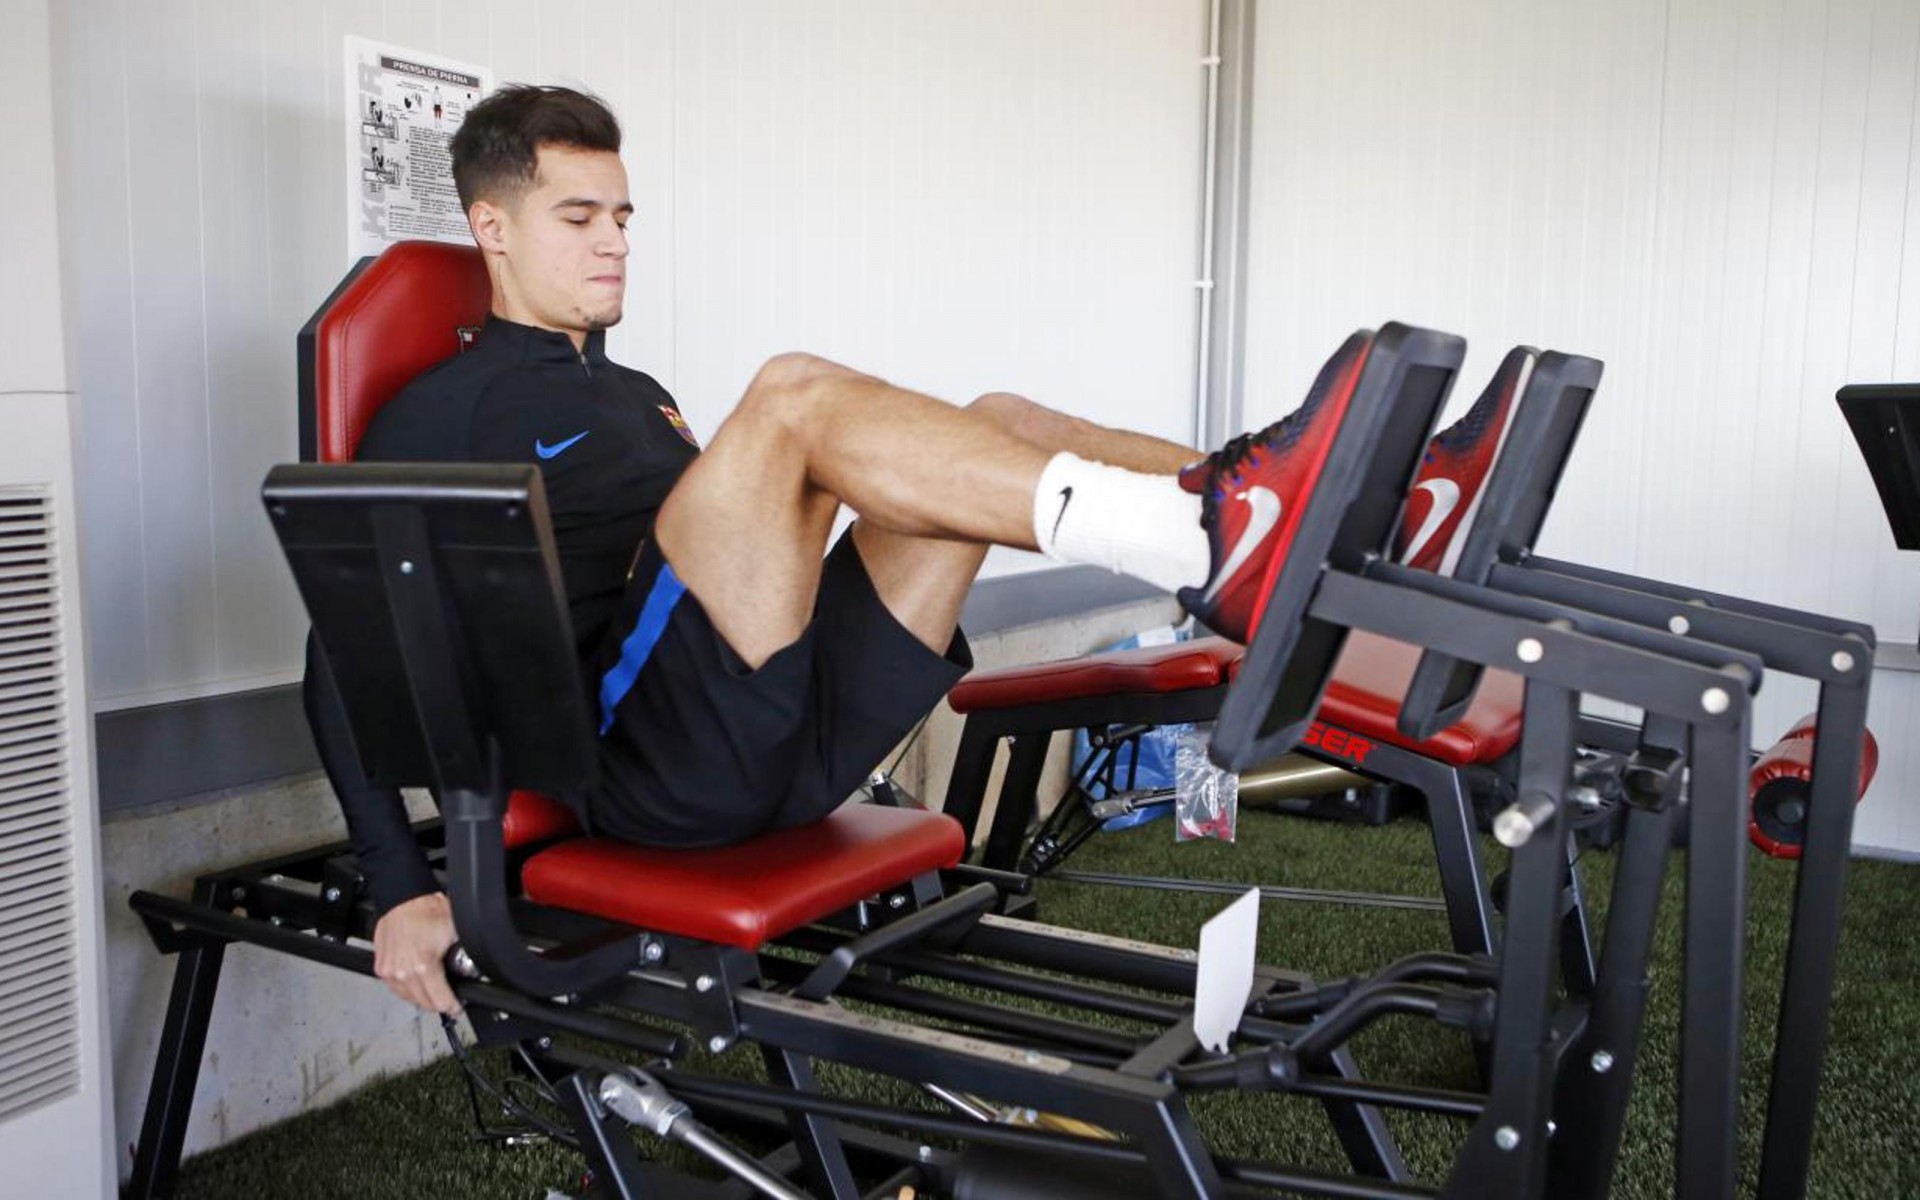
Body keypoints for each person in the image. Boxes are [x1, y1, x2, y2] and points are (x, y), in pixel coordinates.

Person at [308, 84, 1359, 1013]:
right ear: (491, 226)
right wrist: (400, 883)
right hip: (656, 773)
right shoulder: (443, 414)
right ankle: (1205, 542)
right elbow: (338, 654)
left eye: (622, 216)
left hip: (799, 736)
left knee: (1001, 416)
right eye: (578, 218)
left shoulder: (638, 395)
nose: (615, 241)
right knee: (792, 395)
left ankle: (1266, 504)